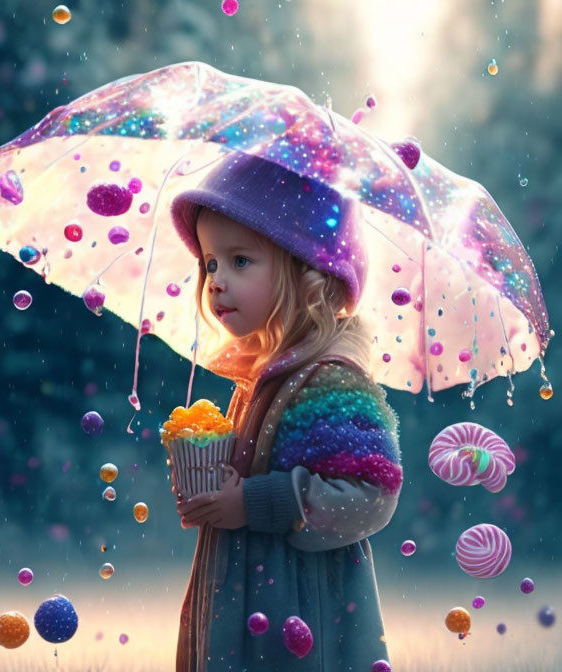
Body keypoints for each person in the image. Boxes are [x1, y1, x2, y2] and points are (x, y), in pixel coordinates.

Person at [168, 152, 403, 671]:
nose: (216, 281)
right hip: (245, 601)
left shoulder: (329, 379)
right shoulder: (259, 377)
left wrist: (252, 503)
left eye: (240, 261)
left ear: (307, 273)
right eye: (209, 263)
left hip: (301, 617)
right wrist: (212, 492)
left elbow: (372, 493)